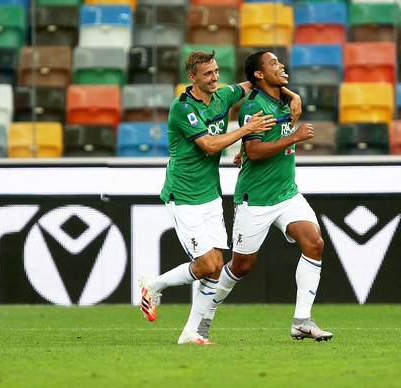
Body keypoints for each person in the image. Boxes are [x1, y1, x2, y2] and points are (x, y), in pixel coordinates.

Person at [139, 50, 302, 345]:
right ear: (192, 78)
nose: (215, 78)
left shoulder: (223, 95)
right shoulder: (183, 107)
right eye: (208, 74)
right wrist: (246, 130)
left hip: (211, 195)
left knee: (216, 267)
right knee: (204, 265)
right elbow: (210, 146)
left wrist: (292, 95)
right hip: (184, 195)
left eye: (216, 72)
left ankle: (190, 332)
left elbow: (255, 82)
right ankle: (155, 284)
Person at [203, 51, 333, 342]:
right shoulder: (253, 107)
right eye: (273, 63)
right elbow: (255, 152)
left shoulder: (284, 98)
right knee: (241, 266)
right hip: (256, 199)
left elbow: (265, 132)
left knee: (314, 243)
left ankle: (302, 321)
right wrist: (294, 137)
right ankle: (205, 314)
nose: (282, 66)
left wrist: (291, 92)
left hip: (287, 193)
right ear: (259, 75)